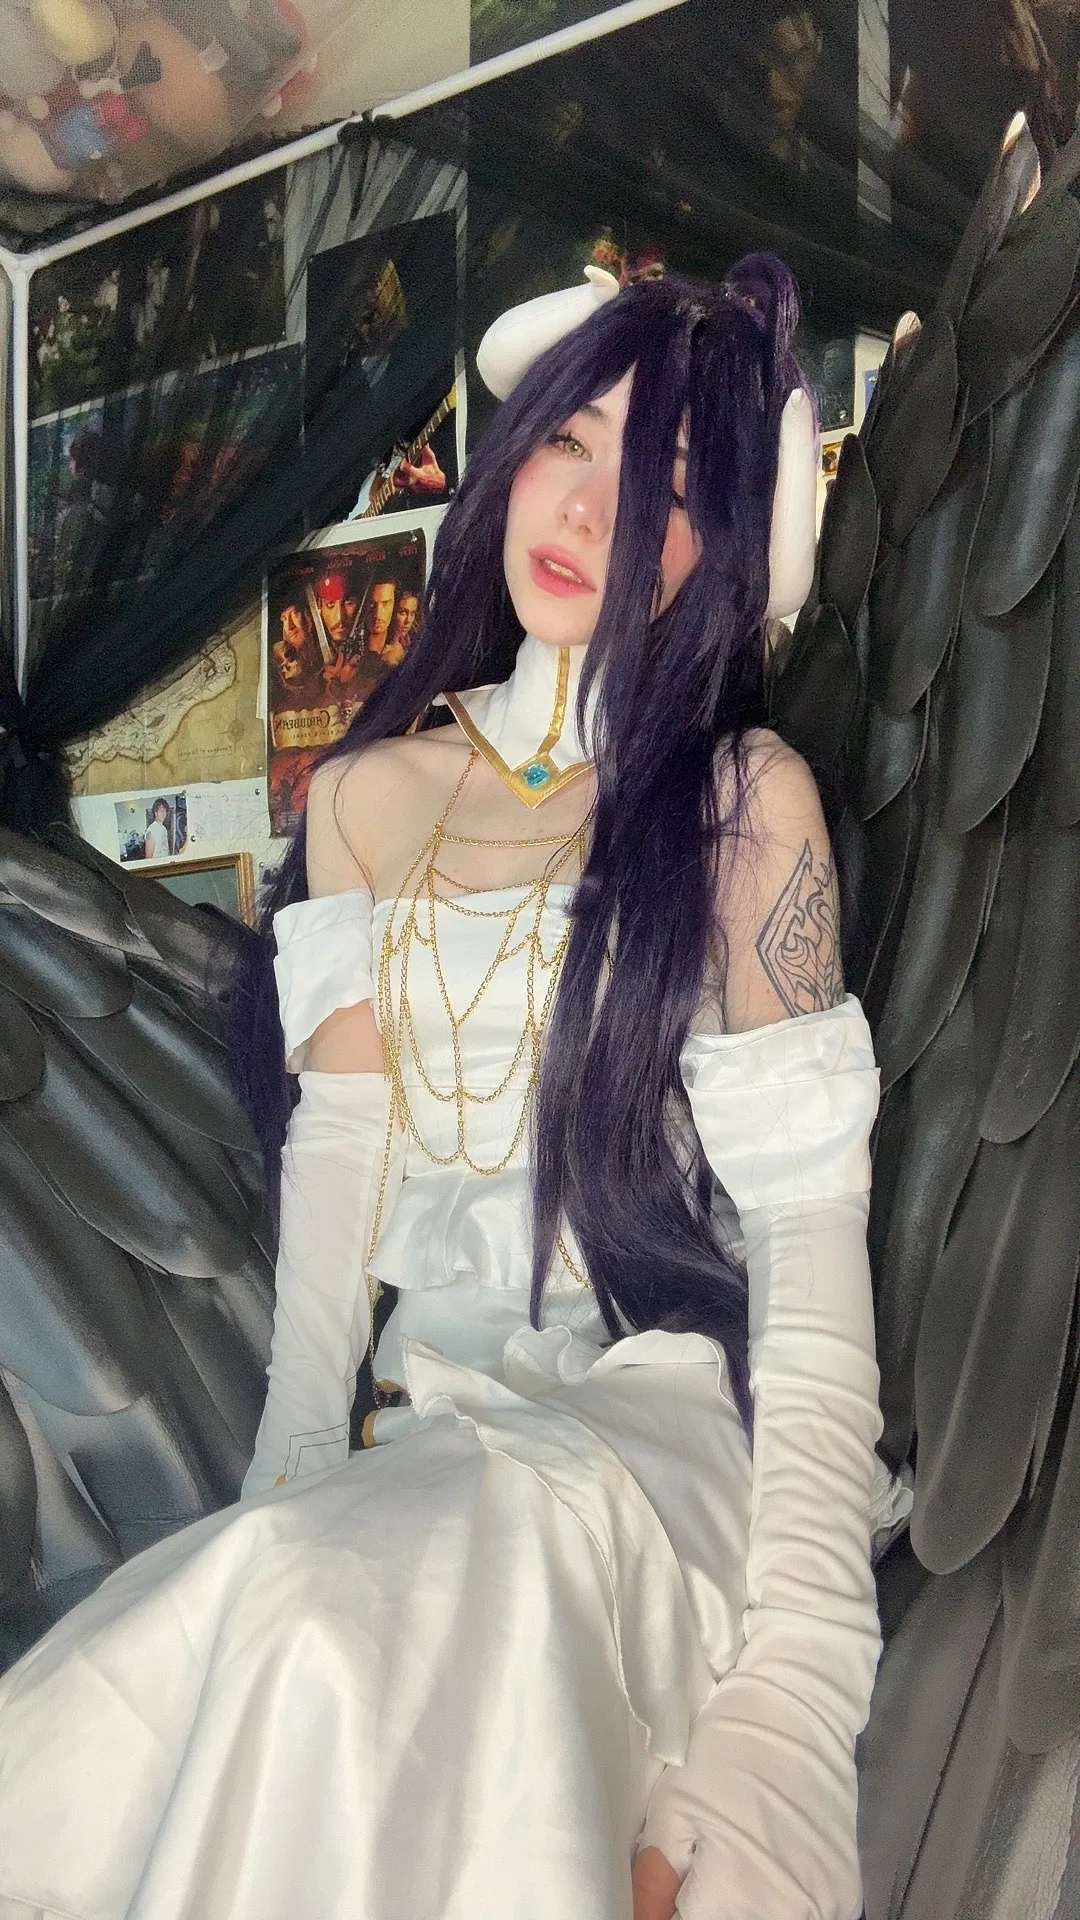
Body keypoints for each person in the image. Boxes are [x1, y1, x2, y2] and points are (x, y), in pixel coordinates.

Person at [0, 258, 896, 1920]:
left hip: (652, 1420)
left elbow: (808, 1250)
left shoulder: (742, 804)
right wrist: (287, 1481)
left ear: (719, 553)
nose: (590, 506)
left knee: (329, 1633)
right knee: (166, 1668)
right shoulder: (364, 800)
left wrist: (793, 1695)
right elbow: (340, 1182)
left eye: (668, 486)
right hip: (431, 1424)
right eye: (571, 439)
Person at [382, 583, 420, 665]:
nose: (408, 620)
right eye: (403, 612)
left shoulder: (412, 648)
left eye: (412, 613)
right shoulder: (381, 649)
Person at [143, 795, 171, 860]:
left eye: (165, 811)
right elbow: (148, 858)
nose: (163, 813)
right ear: (156, 813)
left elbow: (165, 848)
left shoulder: (164, 829)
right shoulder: (151, 831)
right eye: (161, 811)